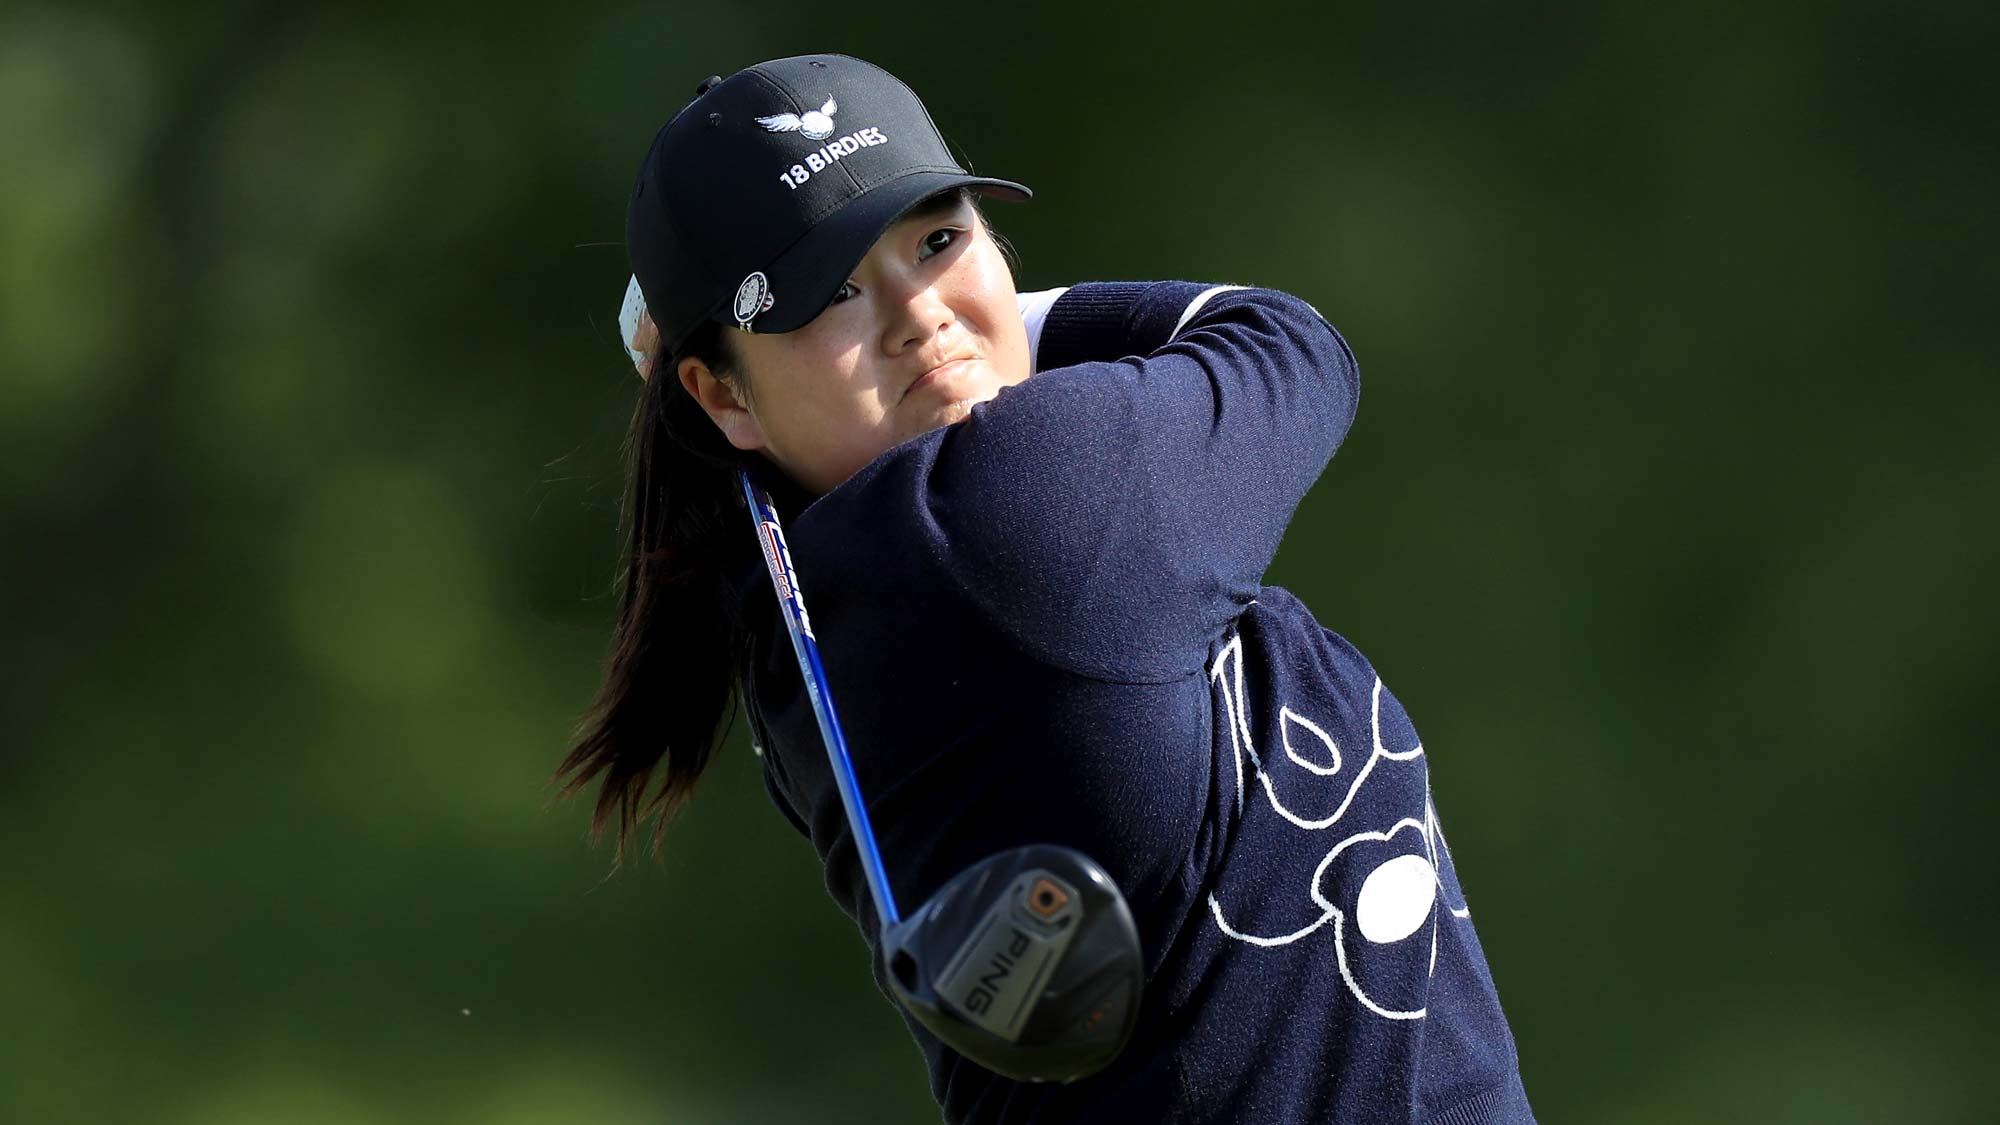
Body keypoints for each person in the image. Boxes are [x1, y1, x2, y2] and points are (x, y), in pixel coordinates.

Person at [559, 53, 1535, 1124]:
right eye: (827, 291)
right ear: (717, 399)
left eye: (938, 241)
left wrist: (750, 362)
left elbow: (827, 401)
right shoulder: (1028, 505)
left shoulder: (793, 612)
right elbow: (1284, 339)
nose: (918, 315)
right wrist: (994, 323)